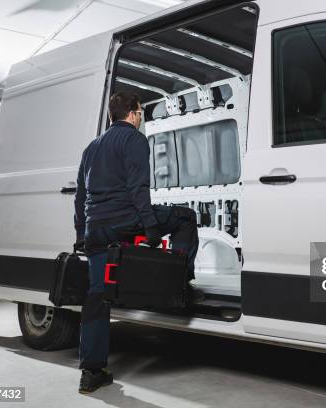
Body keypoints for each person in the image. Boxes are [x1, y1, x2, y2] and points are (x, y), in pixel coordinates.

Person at [73, 91, 200, 394]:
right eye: (140, 112)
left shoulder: (91, 148)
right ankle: (178, 281)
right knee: (185, 218)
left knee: (97, 298)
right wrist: (152, 226)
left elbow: (80, 197)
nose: (141, 117)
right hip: (124, 221)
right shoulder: (134, 140)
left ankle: (91, 372)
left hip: (96, 230)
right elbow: (137, 188)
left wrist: (81, 234)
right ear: (131, 113)